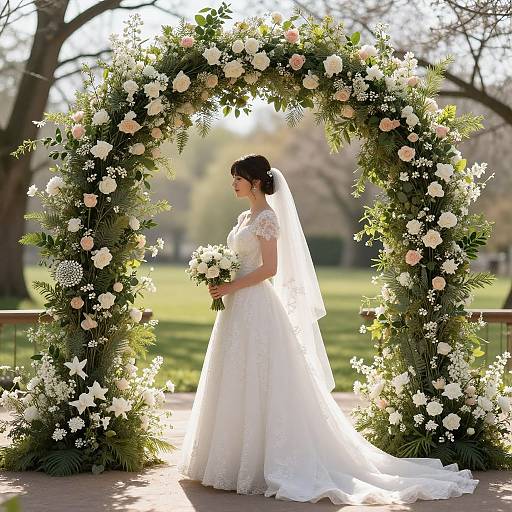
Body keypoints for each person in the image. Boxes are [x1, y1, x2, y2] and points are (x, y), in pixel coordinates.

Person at [177, 154, 479, 505]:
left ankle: (262, 462)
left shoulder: (267, 218)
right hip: (235, 308)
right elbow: (243, 261)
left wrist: (230, 286)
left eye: (238, 178)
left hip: (256, 304)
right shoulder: (245, 216)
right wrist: (219, 275)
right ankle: (227, 459)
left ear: (255, 182)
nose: (233, 184)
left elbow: (270, 269)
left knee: (261, 377)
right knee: (233, 375)